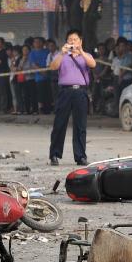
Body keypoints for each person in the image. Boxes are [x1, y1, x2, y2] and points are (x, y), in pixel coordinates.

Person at [48, 28, 95, 166]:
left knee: (80, 125)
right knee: (59, 123)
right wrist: (62, 54)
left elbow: (92, 64)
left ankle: (80, 156)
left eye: (75, 40)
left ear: (80, 41)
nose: (72, 42)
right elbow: (53, 67)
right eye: (70, 40)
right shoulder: (61, 55)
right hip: (65, 92)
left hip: (80, 92)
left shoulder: (86, 55)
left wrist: (80, 52)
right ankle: (54, 154)